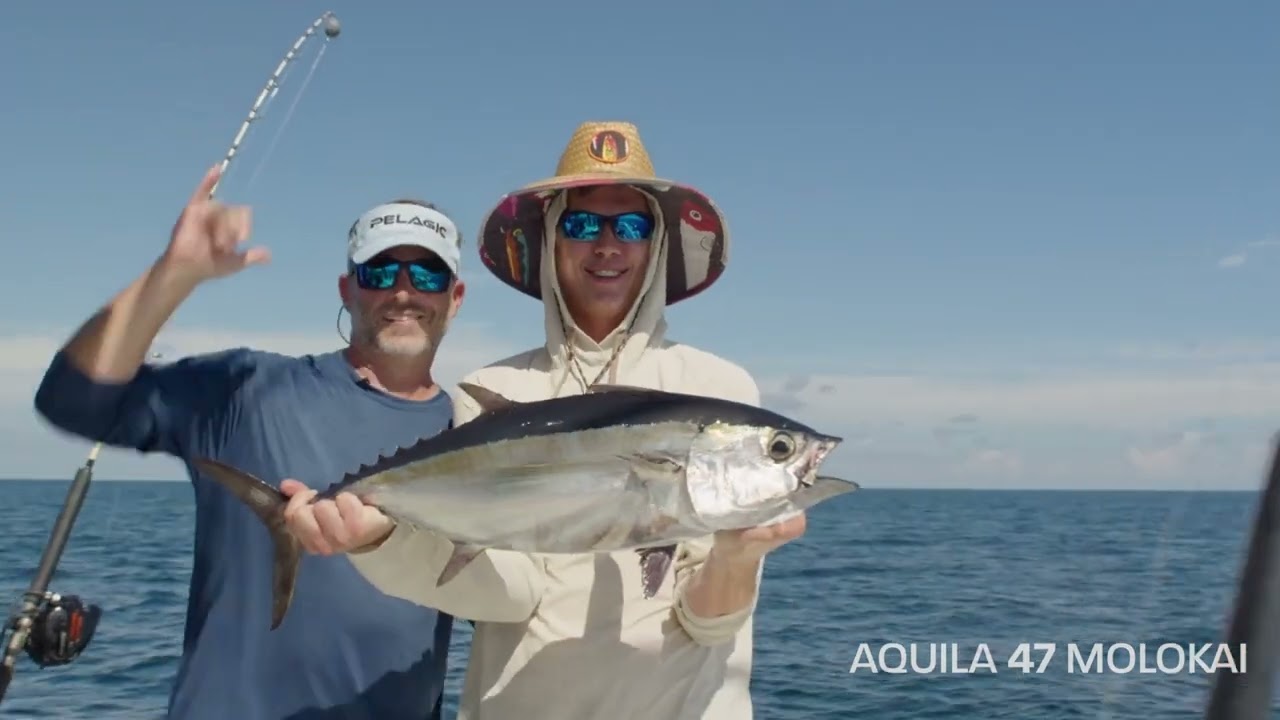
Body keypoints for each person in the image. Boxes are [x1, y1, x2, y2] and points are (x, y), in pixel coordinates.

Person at [280, 121, 807, 719]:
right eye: (582, 225)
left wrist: (737, 557)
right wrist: (381, 540)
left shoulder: (718, 391)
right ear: (553, 241)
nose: (607, 245)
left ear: (656, 244)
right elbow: (509, 595)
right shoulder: (497, 392)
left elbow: (708, 628)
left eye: (630, 225)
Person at [32, 165, 466, 720]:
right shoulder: (247, 388)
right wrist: (171, 277)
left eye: (428, 275)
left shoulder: (473, 428)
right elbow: (70, 401)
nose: (404, 291)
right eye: (380, 271)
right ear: (346, 288)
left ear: (455, 297)